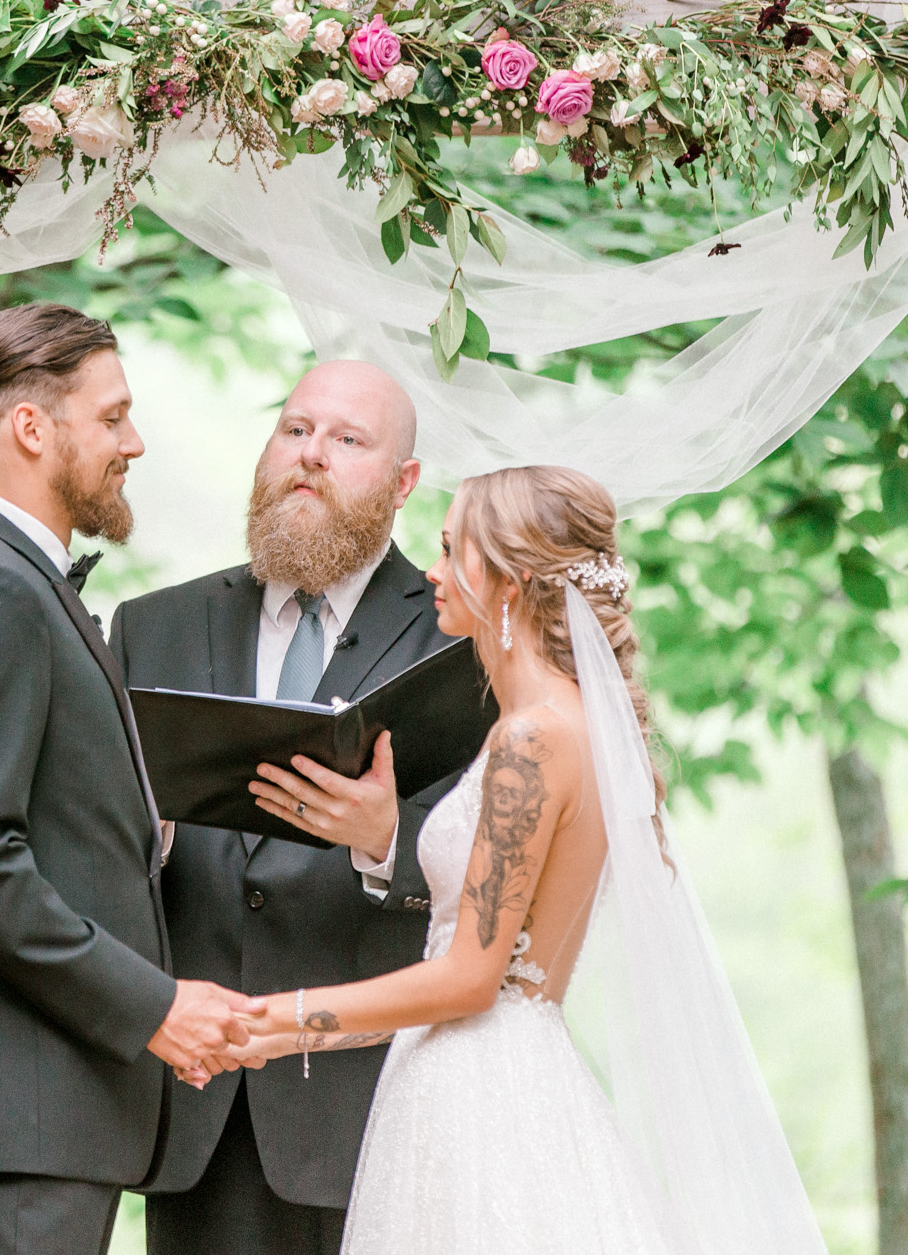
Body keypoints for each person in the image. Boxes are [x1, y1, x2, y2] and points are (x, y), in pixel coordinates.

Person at [0, 303, 263, 1255]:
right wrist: (156, 1004)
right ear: (32, 427)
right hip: (15, 1125)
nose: (134, 442)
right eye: (112, 416)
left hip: (42, 1125)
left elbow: (35, 822)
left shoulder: (18, 584)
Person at [235, 465, 668, 1255]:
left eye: (449, 549)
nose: (432, 572)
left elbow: (470, 978)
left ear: (510, 578)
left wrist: (285, 1019)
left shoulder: (531, 739)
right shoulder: (576, 726)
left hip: (479, 1096)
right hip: (516, 1071)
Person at [107, 360, 473, 1255]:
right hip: (200, 1098)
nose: (312, 455)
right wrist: (141, 837)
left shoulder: (456, 631)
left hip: (379, 1097)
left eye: (348, 440)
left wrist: (385, 837)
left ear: (404, 483)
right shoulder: (150, 625)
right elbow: (93, 850)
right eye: (296, 429)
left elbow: (506, 857)